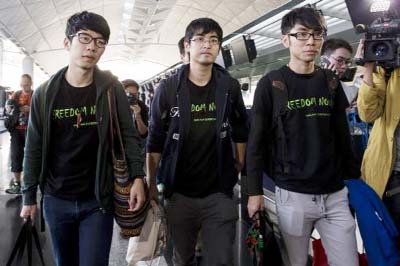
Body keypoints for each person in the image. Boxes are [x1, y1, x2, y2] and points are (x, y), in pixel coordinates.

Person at [19, 11, 146, 266]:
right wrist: (29, 197)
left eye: (100, 42)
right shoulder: (45, 94)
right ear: (67, 43)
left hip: (97, 200)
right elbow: (33, 147)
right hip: (56, 199)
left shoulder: (111, 88)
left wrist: (138, 178)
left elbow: (129, 136)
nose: (92, 47)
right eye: (84, 38)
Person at [246, 7, 360, 266]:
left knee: (348, 261)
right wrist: (254, 193)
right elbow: (256, 144)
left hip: (334, 196)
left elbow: (342, 135)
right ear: (285, 40)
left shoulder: (330, 81)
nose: (311, 41)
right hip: (292, 195)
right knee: (296, 262)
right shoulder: (271, 84)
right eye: (302, 34)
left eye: (317, 34)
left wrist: (354, 180)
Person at [146, 18, 248, 266]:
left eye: (214, 40)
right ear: (187, 46)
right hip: (179, 194)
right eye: (200, 39)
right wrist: (150, 184)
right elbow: (155, 139)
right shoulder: (168, 89)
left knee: (221, 260)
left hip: (219, 193)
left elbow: (241, 127)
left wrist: (240, 162)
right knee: (182, 260)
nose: (207, 45)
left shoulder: (228, 86)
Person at [356, 39, 400, 232]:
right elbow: (368, 114)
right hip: (390, 175)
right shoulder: (387, 71)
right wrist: (369, 68)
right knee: (388, 243)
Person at [5, 74, 33, 195]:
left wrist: (30, 109)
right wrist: (8, 108)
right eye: (22, 84)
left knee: (32, 156)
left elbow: (43, 109)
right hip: (17, 130)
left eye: (26, 84)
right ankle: (17, 184)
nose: (24, 87)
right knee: (16, 156)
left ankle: (31, 183)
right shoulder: (16, 95)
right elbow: (8, 107)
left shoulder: (36, 94)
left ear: (31, 83)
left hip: (31, 130)